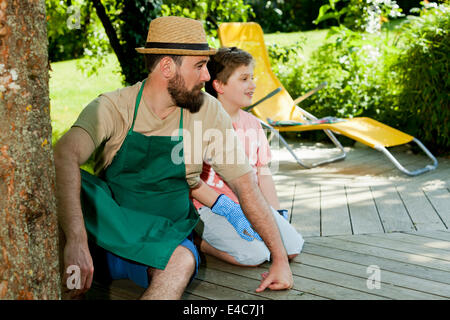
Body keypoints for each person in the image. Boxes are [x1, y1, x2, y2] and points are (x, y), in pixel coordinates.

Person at [54, 16, 293, 300]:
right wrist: (77, 240)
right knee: (64, 183)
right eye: (199, 66)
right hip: (107, 229)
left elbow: (246, 185)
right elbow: (64, 154)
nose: (206, 76)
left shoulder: (208, 112)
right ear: (167, 67)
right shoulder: (113, 107)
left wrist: (280, 260)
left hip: (167, 235)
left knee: (182, 261)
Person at [191, 47, 304, 267]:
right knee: (255, 256)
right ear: (219, 85)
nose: (252, 85)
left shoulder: (253, 124)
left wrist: (276, 213)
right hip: (211, 208)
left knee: (291, 249)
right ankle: (199, 242)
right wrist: (227, 208)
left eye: (252, 78)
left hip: (252, 204)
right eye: (244, 79)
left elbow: (263, 173)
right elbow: (189, 180)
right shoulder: (200, 122)